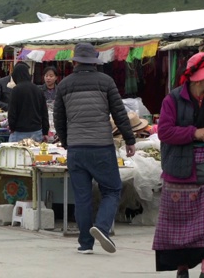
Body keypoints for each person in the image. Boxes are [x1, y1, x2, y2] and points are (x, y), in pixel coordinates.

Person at [153, 52, 204, 278]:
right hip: (179, 170)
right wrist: (194, 133)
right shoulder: (172, 100)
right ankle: (182, 268)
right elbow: (164, 131)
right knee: (179, 225)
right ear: (196, 78)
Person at [53, 42, 136, 255]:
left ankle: (85, 244)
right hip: (101, 146)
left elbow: (59, 120)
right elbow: (119, 113)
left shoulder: (64, 85)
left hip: (77, 149)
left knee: (82, 197)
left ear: (74, 62)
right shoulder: (106, 81)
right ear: (95, 62)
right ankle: (101, 226)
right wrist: (129, 139)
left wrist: (66, 143)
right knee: (112, 189)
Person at [7, 63, 49, 143]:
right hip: (36, 132)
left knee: (16, 155)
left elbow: (12, 112)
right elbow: (44, 113)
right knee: (34, 155)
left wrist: (11, 127)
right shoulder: (38, 90)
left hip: (19, 132)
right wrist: (45, 132)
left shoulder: (15, 90)